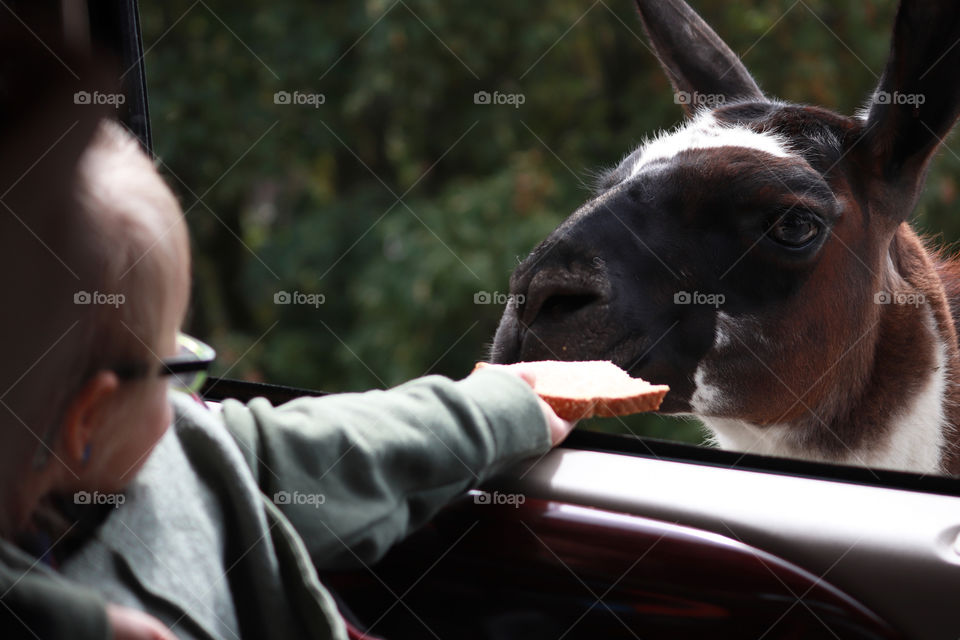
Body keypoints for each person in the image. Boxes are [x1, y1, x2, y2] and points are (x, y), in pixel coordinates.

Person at [1, 118, 574, 639]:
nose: (186, 395)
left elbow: (312, 454)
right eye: (175, 364)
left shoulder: (174, 451)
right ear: (88, 420)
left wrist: (498, 408)